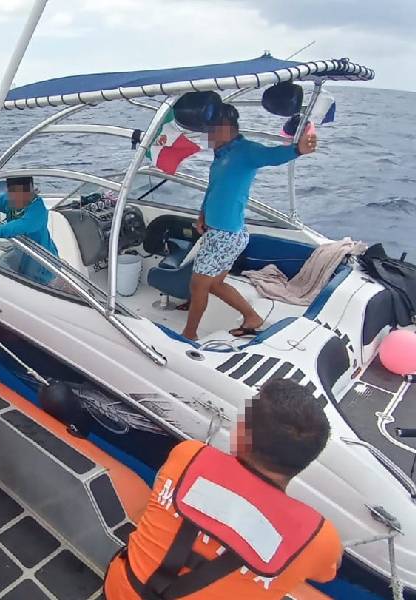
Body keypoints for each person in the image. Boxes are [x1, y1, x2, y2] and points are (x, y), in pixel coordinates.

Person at [104, 378, 342, 599]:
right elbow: (327, 573)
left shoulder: (188, 455)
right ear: (304, 462)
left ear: (242, 435)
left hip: (121, 590)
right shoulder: (320, 540)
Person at [181, 104, 318, 341]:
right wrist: (202, 213)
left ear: (225, 127)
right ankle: (252, 317)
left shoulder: (245, 151)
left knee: (198, 285)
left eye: (211, 130)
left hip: (225, 235)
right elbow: (214, 189)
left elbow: (270, 155)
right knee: (214, 284)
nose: (207, 136)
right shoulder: (222, 154)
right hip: (224, 232)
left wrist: (298, 150)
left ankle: (189, 334)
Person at [0, 176, 59, 285]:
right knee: (3, 264)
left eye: (25, 192)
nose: (19, 197)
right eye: (14, 192)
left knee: (33, 286)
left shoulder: (39, 209)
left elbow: (19, 226)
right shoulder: (6, 200)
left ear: (32, 191)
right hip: (21, 251)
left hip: (43, 260)